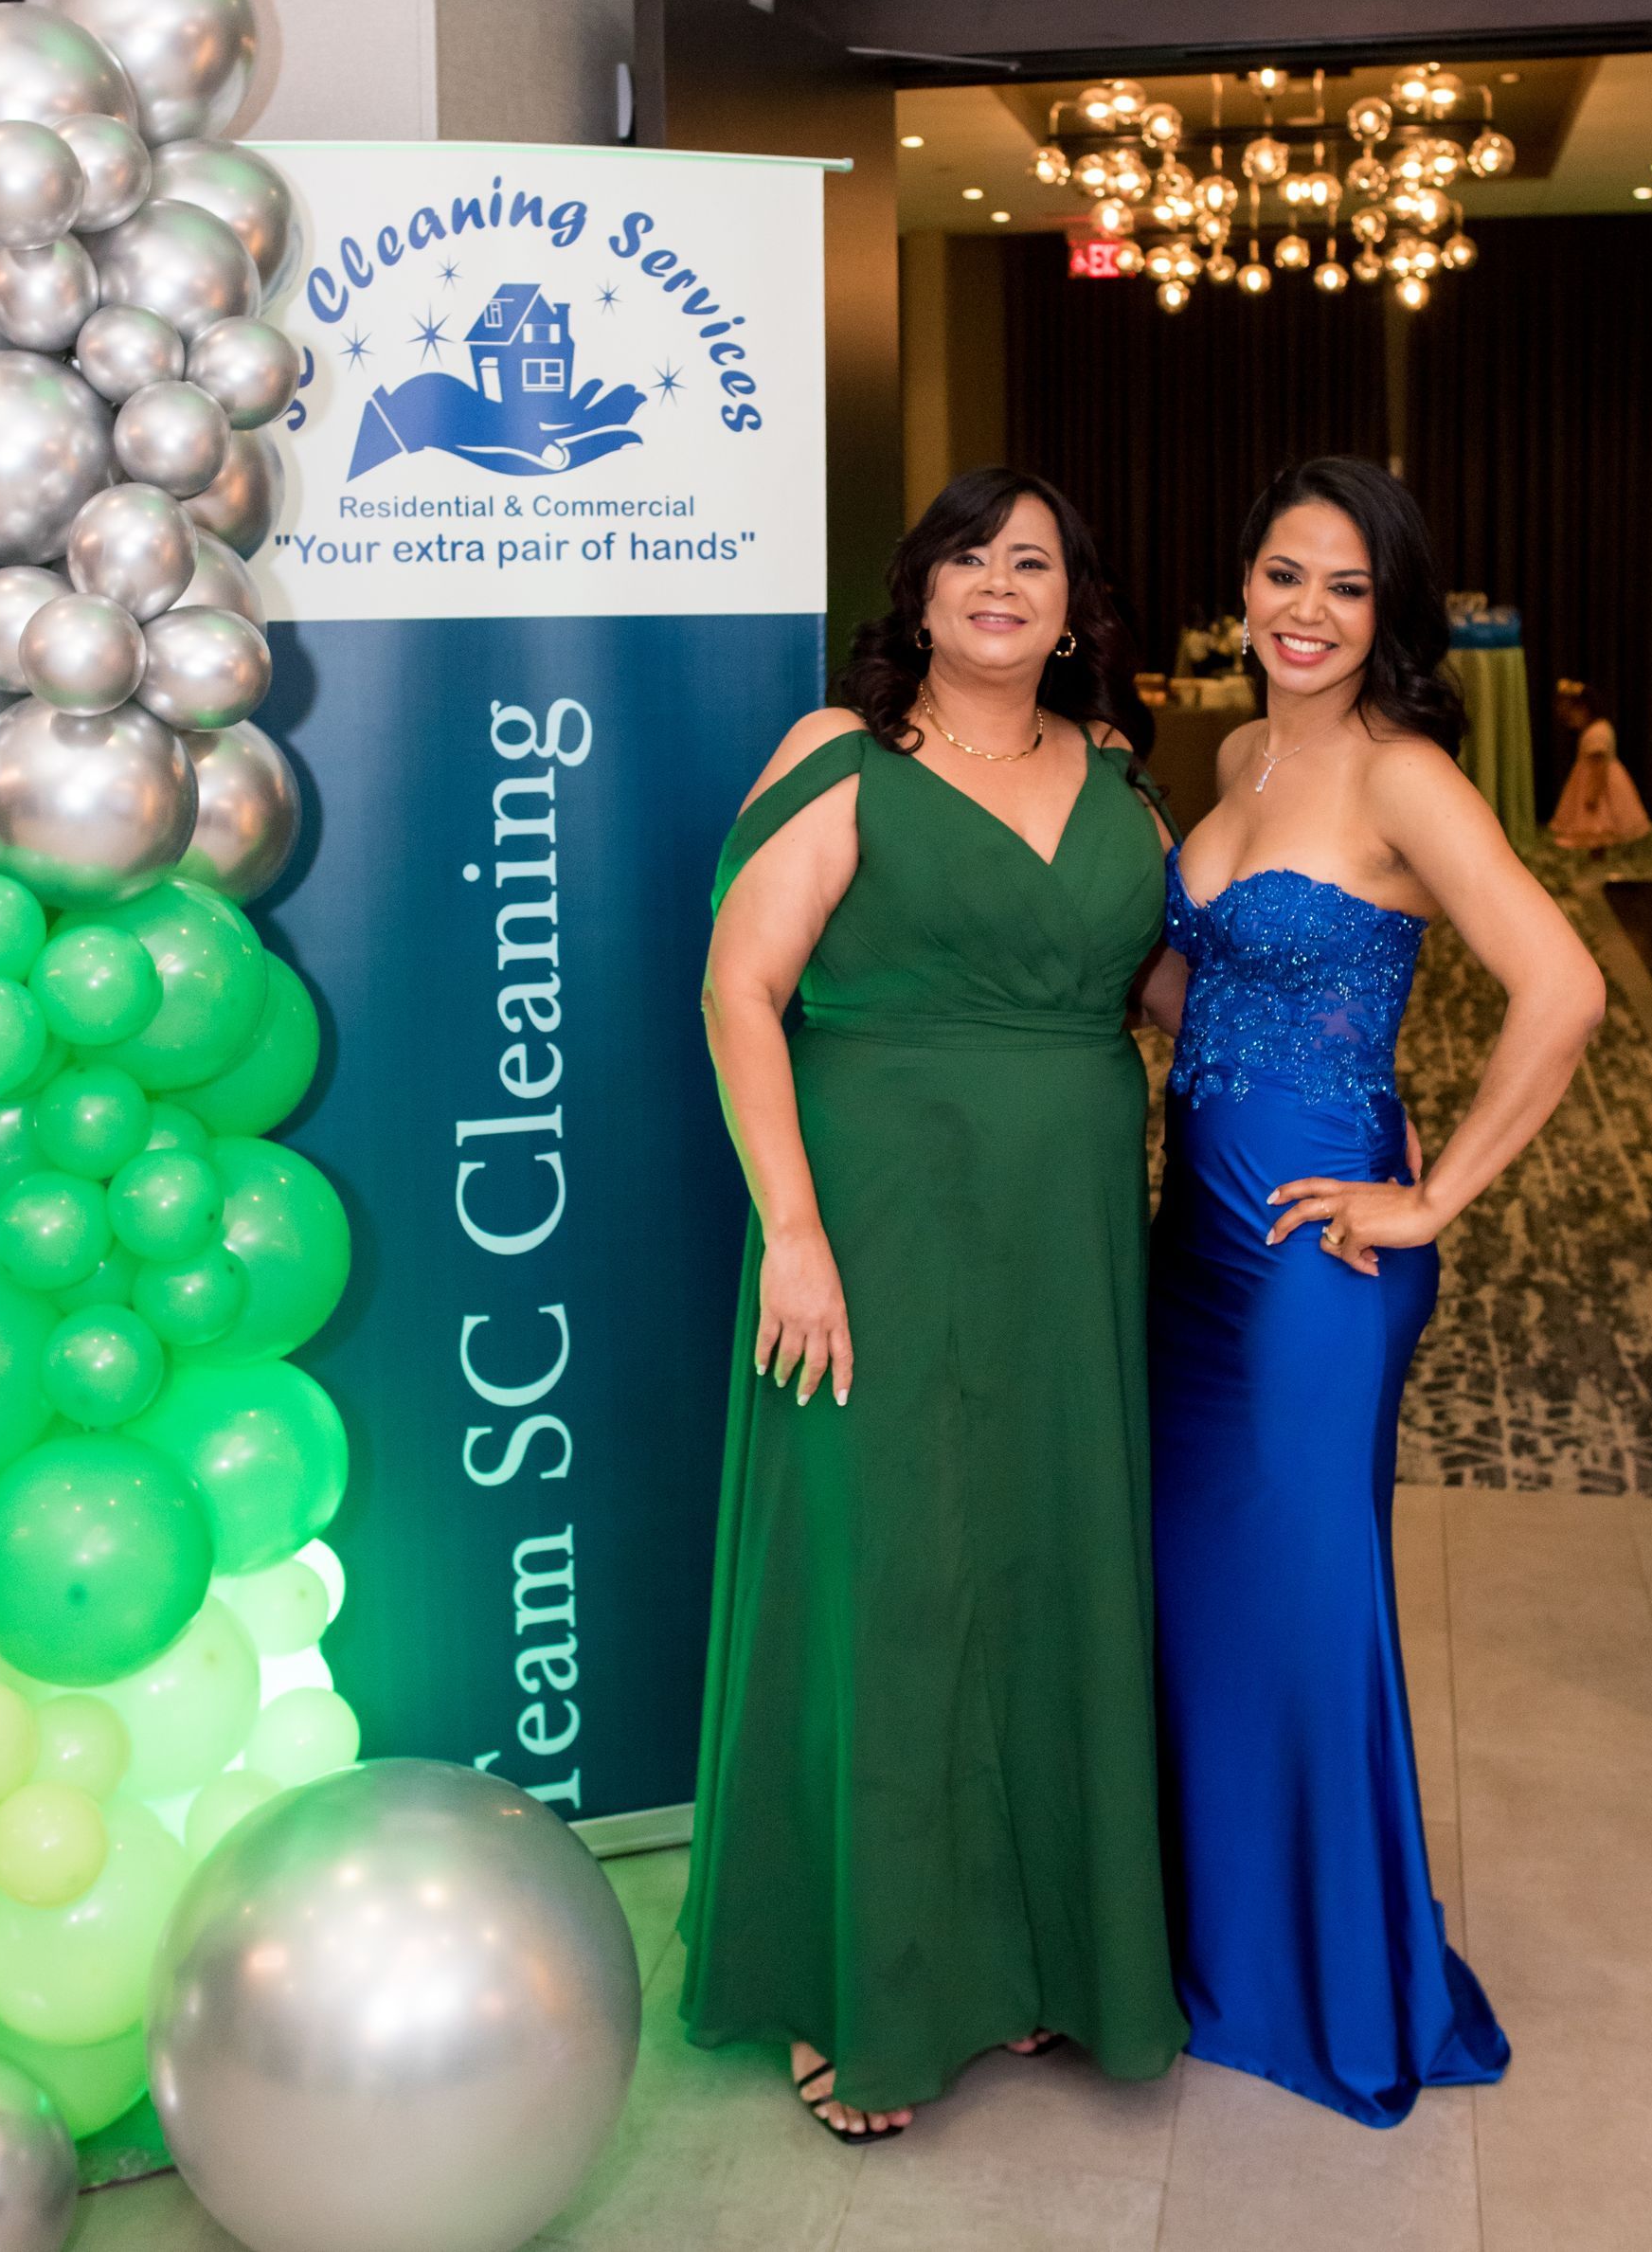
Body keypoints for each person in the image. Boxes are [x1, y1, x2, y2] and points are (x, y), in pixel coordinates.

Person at [680, 468, 1186, 2140]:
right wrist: (794, 1231)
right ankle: (853, 1985)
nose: (999, 580)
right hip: (875, 1223)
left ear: (1073, 603)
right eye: (969, 553)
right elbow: (741, 991)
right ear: (919, 590)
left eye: (1032, 558)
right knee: (886, 1572)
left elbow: (1182, 989)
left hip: (1066, 1243)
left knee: (1044, 1561)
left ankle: (1033, 1952)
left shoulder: (1120, 779)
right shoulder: (840, 757)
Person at [1140, 456, 1605, 2128]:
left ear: (1388, 609)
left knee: (1310, 1606)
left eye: (1344, 586)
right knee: (1201, 1598)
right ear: (1243, 590)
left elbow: (1563, 987)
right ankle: (1222, 1949)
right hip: (1193, 1236)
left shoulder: (1407, 777)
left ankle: (1336, 1983)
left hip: (1318, 1261)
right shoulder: (1239, 752)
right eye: (1283, 575)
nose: (1308, 611)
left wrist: (1435, 1196)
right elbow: (1195, 987)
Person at [1550, 677, 1652, 852]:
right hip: (1592, 782)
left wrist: (1593, 794)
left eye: (1572, 713)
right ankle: (1596, 854)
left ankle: (1598, 854)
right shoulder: (1599, 728)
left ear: (1585, 710)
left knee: (1596, 822)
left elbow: (1599, 769)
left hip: (1597, 787)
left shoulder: (1596, 733)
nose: (1569, 720)